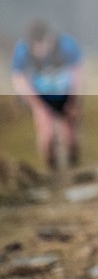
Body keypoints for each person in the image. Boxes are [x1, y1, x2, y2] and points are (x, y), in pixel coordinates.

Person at [11, 20, 83, 170]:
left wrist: (74, 100)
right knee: (46, 133)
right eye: (36, 48)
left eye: (44, 45)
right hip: (40, 96)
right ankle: (51, 169)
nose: (41, 51)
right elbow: (18, 79)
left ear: (50, 38)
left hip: (66, 93)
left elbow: (79, 71)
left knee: (69, 135)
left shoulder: (66, 44)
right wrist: (37, 105)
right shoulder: (22, 50)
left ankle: (74, 165)